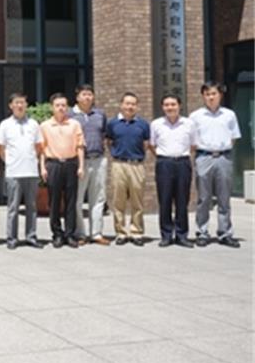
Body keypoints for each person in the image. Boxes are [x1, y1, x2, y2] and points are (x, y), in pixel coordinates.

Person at [190, 81, 242, 248]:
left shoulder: (229, 115)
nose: (211, 97)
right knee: (203, 198)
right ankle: (202, 232)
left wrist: (221, 150)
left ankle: (225, 233)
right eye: (207, 94)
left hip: (223, 157)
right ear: (203, 96)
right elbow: (191, 140)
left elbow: (233, 138)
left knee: (224, 198)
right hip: (203, 157)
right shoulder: (195, 116)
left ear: (220, 95)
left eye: (214, 94)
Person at [0, 93, 44, 249]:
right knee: (13, 207)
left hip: (31, 172)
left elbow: (38, 146)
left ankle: (31, 236)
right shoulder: (5, 124)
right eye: (17, 103)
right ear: (11, 105)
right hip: (14, 172)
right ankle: (12, 238)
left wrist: (33, 160)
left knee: (32, 207)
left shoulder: (33, 124)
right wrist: (9, 162)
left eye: (23, 102)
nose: (20, 105)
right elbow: (0, 147)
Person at [39, 93, 85, 249]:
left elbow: (80, 147)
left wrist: (81, 166)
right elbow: (41, 149)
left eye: (64, 105)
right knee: (54, 201)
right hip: (53, 164)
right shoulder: (45, 126)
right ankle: (57, 234)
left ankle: (70, 234)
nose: (61, 108)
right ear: (52, 107)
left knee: (71, 201)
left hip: (71, 164)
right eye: (57, 105)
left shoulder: (74, 124)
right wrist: (42, 167)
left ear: (68, 107)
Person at [149, 94, 195, 248]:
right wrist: (164, 157)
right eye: (167, 105)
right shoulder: (156, 124)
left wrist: (180, 156)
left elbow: (193, 145)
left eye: (173, 104)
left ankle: (182, 235)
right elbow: (152, 145)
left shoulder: (189, 124)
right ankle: (166, 235)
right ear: (162, 107)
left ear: (179, 106)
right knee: (165, 200)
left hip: (183, 163)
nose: (170, 107)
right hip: (164, 163)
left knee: (182, 200)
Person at [106, 92, 149, 246]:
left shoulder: (143, 124)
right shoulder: (113, 124)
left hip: (137, 165)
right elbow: (109, 142)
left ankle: (136, 232)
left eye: (133, 104)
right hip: (119, 164)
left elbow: (145, 144)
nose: (130, 107)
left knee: (137, 201)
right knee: (118, 201)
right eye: (127, 103)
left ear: (137, 106)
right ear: (121, 105)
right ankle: (121, 232)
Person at [69, 84, 111, 245]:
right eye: (84, 94)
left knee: (98, 198)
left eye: (90, 94)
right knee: (78, 199)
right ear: (77, 97)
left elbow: (105, 135)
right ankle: (80, 233)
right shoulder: (70, 115)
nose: (87, 97)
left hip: (98, 159)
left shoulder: (100, 114)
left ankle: (96, 233)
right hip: (79, 162)